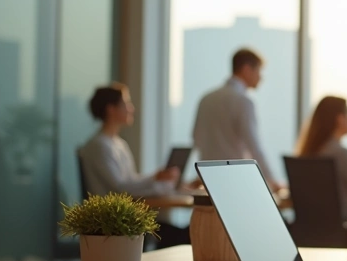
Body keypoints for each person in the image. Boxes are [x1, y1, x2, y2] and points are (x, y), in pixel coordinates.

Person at [77, 84, 189, 247]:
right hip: (114, 224)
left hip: (126, 219)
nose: (131, 108)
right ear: (111, 109)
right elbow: (121, 188)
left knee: (173, 234)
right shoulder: (98, 146)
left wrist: (160, 180)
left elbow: (130, 181)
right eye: (126, 103)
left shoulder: (119, 144)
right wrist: (155, 179)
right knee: (177, 236)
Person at [191, 48, 280, 189]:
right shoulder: (243, 102)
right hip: (234, 182)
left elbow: (196, 138)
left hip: (207, 181)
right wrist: (272, 180)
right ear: (246, 69)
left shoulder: (206, 99)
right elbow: (254, 147)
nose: (261, 77)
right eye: (258, 71)